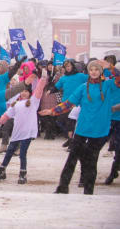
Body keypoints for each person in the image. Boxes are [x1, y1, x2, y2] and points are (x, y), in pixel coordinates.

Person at [40, 60, 120, 195]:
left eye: (96, 69)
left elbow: (118, 79)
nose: (93, 72)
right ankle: (62, 187)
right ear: (88, 72)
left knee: (91, 160)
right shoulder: (83, 87)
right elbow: (68, 103)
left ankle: (88, 191)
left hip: (99, 130)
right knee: (72, 157)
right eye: (91, 69)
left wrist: (112, 68)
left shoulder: (108, 85)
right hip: (83, 128)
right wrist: (52, 111)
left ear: (100, 71)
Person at [0, 69, 47, 184]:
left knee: (22, 153)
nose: (24, 93)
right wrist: (0, 122)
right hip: (17, 132)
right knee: (9, 151)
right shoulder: (16, 103)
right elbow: (7, 114)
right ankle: (2, 170)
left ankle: (22, 174)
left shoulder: (33, 102)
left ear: (30, 93)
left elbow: (39, 90)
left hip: (28, 132)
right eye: (22, 91)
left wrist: (42, 79)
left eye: (26, 91)